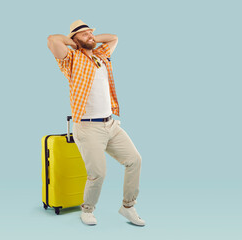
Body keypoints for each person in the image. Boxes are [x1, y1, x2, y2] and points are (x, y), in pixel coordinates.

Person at [47, 20, 145, 226]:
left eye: (91, 32)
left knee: (134, 160)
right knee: (98, 173)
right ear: (73, 40)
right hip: (88, 127)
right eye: (84, 34)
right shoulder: (71, 59)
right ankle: (87, 210)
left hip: (110, 125)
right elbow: (53, 40)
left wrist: (89, 39)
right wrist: (76, 44)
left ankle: (128, 207)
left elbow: (114, 37)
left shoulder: (101, 56)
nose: (91, 35)